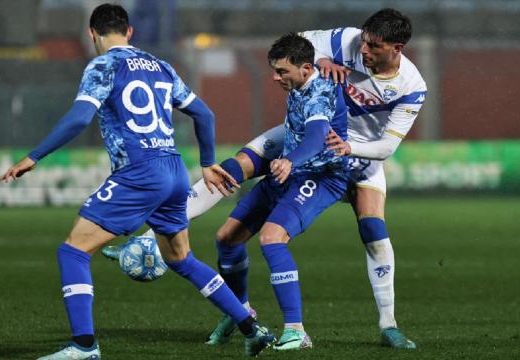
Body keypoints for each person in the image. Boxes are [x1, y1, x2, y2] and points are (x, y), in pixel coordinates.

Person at [0, 4, 274, 359]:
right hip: (174, 169)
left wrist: (34, 155)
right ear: (129, 32)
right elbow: (204, 113)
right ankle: (251, 328)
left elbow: (81, 117)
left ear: (92, 33)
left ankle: (84, 346)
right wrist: (206, 163)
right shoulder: (161, 65)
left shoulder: (103, 65)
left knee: (73, 251)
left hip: (140, 173)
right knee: (182, 259)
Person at [183, 8, 426, 350]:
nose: (365, 50)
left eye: (374, 47)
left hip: (354, 151)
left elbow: (386, 146)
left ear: (397, 48)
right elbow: (299, 45)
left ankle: (388, 325)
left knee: (373, 232)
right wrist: (324, 59)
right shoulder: (349, 40)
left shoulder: (412, 86)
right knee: (240, 168)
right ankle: (162, 233)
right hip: (313, 130)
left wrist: (348, 147)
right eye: (365, 42)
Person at [207, 32, 349, 351]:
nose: (275, 77)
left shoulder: (320, 89)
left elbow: (316, 136)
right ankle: (241, 313)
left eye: (282, 71)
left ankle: (297, 331)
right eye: (273, 70)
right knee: (226, 238)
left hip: (321, 176)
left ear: (305, 68)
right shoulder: (298, 85)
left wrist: (290, 160)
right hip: (290, 170)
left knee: (272, 238)